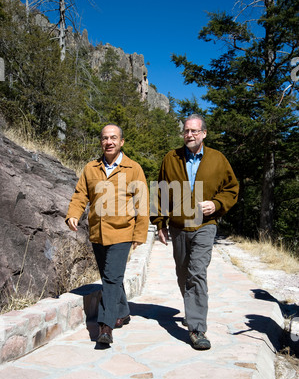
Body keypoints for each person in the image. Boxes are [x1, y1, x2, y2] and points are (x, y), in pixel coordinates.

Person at [150, 114, 239, 350]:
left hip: (205, 225)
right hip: (178, 226)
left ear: (204, 134)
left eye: (194, 131)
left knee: (197, 272)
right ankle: (192, 309)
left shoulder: (218, 160)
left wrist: (217, 204)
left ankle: (197, 329)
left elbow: (232, 189)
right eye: (187, 131)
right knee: (183, 273)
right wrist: (160, 223)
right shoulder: (171, 158)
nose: (190, 135)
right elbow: (159, 191)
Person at [66, 124, 149, 346]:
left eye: (113, 138)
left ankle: (105, 326)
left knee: (111, 278)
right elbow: (80, 194)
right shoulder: (91, 168)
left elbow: (142, 203)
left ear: (122, 142)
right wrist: (73, 214)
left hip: (122, 232)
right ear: (101, 142)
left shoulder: (133, 169)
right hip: (97, 232)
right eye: (105, 138)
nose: (109, 142)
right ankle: (123, 311)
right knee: (109, 277)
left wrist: (139, 233)